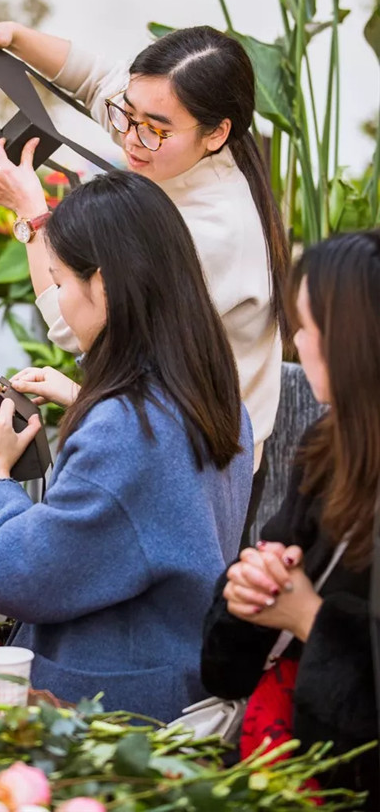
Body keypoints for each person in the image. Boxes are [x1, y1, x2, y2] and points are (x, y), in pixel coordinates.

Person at [0, 171, 253, 720]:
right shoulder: (214, 390)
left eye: (61, 282)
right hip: (178, 680)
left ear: (106, 286)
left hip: (112, 710)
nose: (61, 303)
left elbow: (13, 575)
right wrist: (87, 398)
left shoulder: (126, 428)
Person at [0, 23, 289, 494]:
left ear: (217, 133)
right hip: (165, 433)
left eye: (153, 129)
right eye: (126, 114)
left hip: (203, 474)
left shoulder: (213, 232)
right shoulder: (169, 140)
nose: (129, 138)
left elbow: (78, 329)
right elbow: (94, 79)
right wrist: (13, 38)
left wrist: (28, 212)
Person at [201, 230, 380, 805]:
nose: (297, 342)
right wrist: (249, 584)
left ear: (354, 340)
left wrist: (307, 618)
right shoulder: (330, 445)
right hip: (289, 755)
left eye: (308, 326)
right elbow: (272, 560)